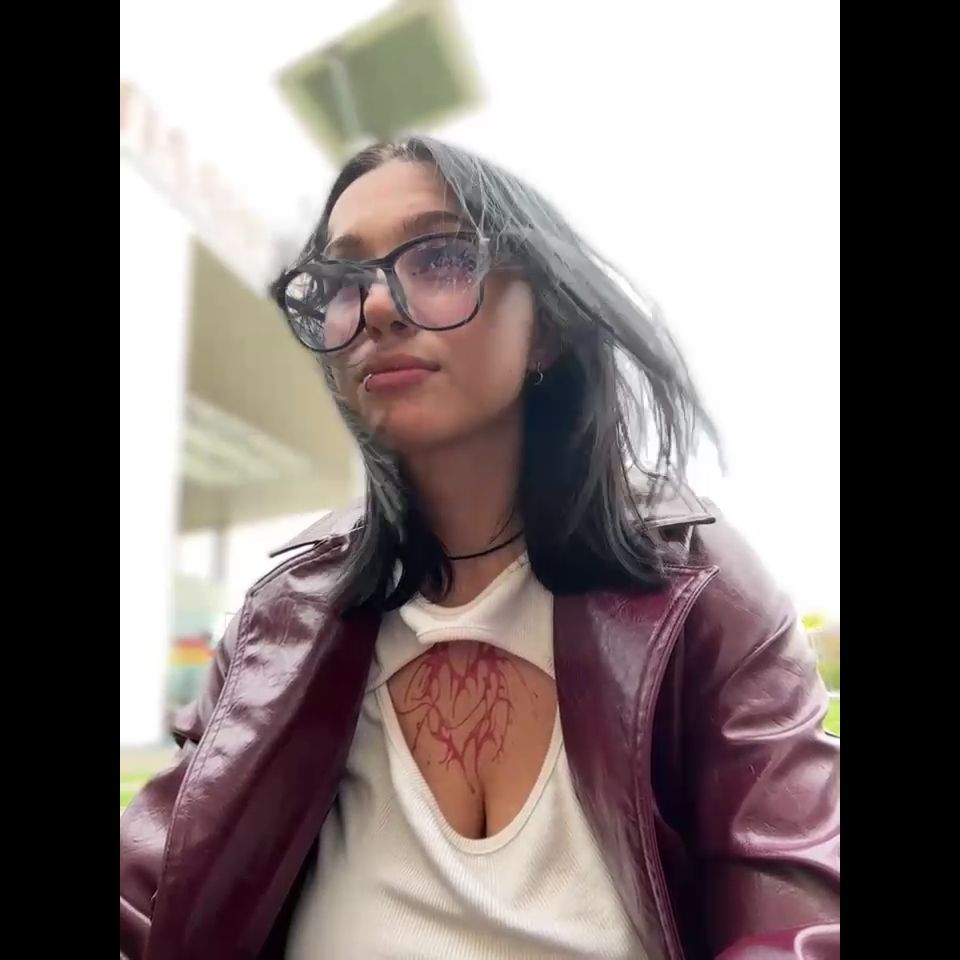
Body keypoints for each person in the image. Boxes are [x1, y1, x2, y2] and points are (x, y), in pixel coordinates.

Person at [120, 136, 839, 960]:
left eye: (441, 258)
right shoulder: (280, 621)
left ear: (547, 330)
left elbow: (797, 923)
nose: (376, 306)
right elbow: (154, 896)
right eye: (344, 280)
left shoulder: (702, 593)